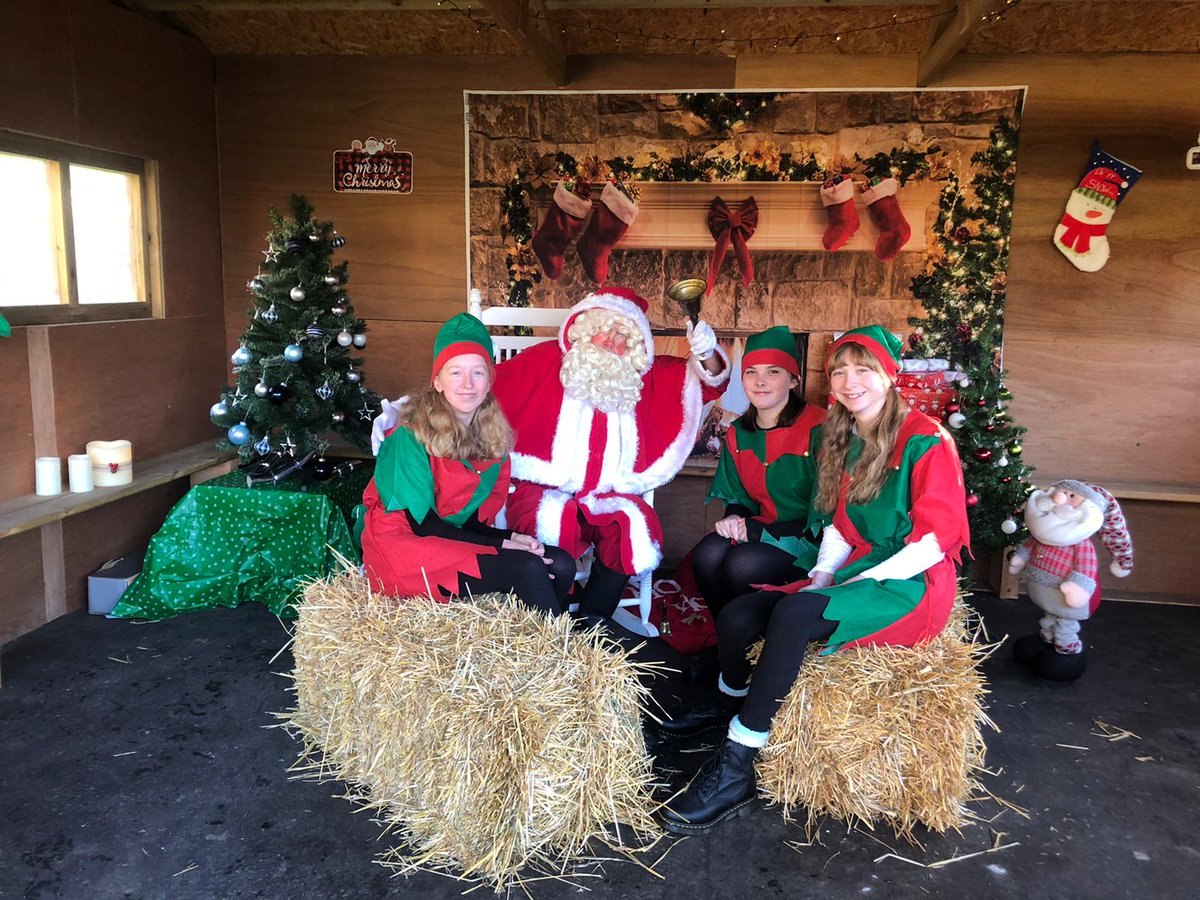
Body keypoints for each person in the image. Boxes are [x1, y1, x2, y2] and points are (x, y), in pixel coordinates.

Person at [658, 325, 970, 835]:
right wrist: (823, 573)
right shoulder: (849, 440)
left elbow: (934, 543)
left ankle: (740, 760)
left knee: (795, 612)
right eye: (840, 371)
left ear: (888, 377)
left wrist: (844, 587)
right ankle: (729, 704)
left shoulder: (927, 439)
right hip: (857, 567)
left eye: (862, 370)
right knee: (739, 615)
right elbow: (839, 525)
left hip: (909, 582)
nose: (849, 382)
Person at [374, 287, 729, 621]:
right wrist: (403, 411)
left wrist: (706, 352)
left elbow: (705, 381)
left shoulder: (640, 378)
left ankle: (592, 624)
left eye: (623, 338)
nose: (612, 344)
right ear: (586, 332)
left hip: (608, 491)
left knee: (634, 527)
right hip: (542, 486)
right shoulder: (546, 362)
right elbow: (482, 383)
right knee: (546, 523)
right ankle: (550, 625)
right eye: (605, 332)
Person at [361, 313, 576, 614]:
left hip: (450, 536)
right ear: (436, 381)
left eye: (477, 373)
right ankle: (559, 656)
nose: (467, 385)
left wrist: (513, 537)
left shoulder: (492, 438)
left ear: (489, 381)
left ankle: (533, 647)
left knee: (561, 563)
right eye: (455, 373)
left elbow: (471, 521)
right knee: (526, 567)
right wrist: (503, 546)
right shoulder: (409, 437)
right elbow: (422, 524)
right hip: (406, 544)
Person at [691, 326, 827, 620]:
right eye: (751, 371)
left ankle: (754, 644)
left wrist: (754, 530)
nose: (760, 381)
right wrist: (733, 517)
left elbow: (827, 513)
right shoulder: (739, 432)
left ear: (793, 379)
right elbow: (739, 497)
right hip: (760, 529)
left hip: (811, 539)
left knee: (742, 563)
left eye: (773, 371)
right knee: (706, 555)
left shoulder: (821, 428)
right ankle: (725, 641)